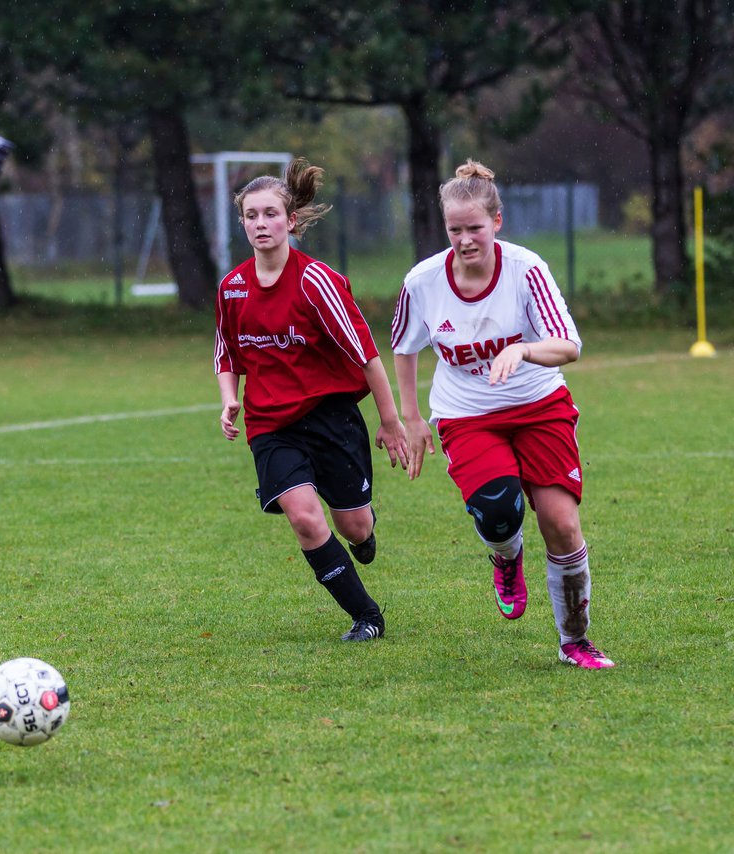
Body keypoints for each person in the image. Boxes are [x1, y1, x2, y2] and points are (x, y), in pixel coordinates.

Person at [391, 160, 614, 669]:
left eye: (474, 227)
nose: (465, 240)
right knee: (497, 511)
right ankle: (506, 556)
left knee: (560, 523)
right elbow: (404, 347)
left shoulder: (525, 269)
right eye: (454, 230)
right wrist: (410, 417)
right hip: (467, 416)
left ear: (497, 221)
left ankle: (574, 642)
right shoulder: (424, 280)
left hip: (538, 406)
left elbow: (569, 345)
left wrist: (524, 351)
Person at [214, 158, 409, 642]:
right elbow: (225, 350)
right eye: (251, 215)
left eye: (270, 214)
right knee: (304, 517)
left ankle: (364, 533)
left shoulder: (315, 281)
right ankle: (367, 616)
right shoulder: (232, 287)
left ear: (291, 221)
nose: (261, 223)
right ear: (242, 223)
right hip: (271, 424)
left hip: (330, 418)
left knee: (355, 527)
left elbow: (366, 355)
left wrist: (390, 421)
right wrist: (229, 399)